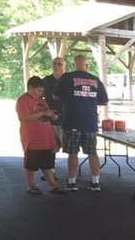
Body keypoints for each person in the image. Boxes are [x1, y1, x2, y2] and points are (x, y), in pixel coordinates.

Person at [53, 54, 108, 192]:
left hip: (72, 121)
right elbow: (105, 101)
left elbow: (56, 96)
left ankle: (72, 183)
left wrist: (71, 98)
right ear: (87, 65)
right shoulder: (95, 80)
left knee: (73, 153)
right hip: (90, 123)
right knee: (92, 152)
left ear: (73, 65)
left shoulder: (66, 78)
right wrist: (90, 100)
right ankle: (95, 183)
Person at [16, 76, 66, 195]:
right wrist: (43, 112)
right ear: (31, 88)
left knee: (47, 164)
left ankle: (53, 186)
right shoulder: (22, 100)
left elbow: (47, 113)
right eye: (39, 90)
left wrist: (53, 115)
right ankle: (31, 186)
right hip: (32, 138)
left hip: (46, 137)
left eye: (42, 91)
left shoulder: (41, 100)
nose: (41, 93)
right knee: (31, 164)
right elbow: (25, 117)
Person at [42, 57, 65, 154]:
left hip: (65, 120)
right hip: (49, 120)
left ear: (64, 66)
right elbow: (37, 97)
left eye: (59, 64)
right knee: (50, 149)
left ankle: (71, 169)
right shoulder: (46, 81)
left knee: (70, 151)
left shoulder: (69, 80)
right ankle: (49, 169)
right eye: (54, 64)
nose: (56, 66)